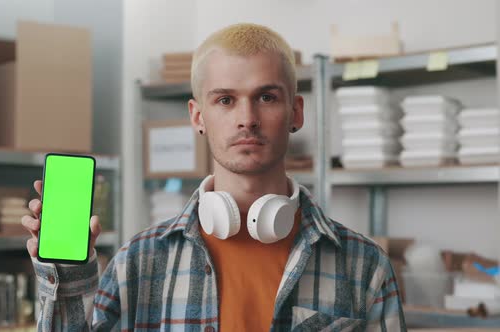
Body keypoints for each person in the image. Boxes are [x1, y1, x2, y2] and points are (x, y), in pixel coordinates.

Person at [22, 23, 406, 331]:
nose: (247, 118)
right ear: (197, 116)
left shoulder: (365, 266)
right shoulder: (135, 263)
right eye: (225, 99)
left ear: (296, 112)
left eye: (267, 97)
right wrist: (67, 279)